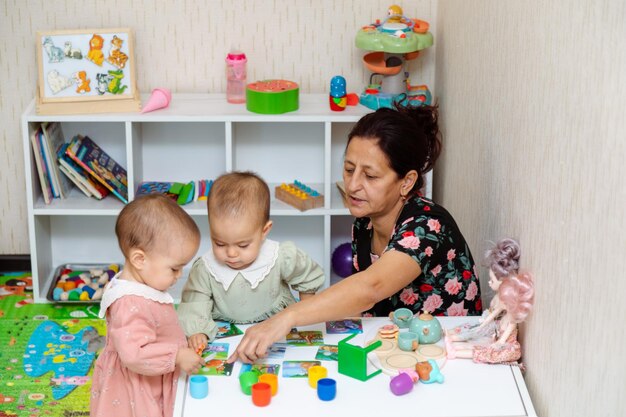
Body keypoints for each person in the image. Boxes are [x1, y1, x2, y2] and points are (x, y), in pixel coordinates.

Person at [229, 104, 482, 363]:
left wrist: (286, 317)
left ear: (406, 182)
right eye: (349, 170)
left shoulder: (428, 225)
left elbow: (370, 288)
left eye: (370, 176)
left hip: (448, 353)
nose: (352, 185)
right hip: (396, 349)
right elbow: (364, 302)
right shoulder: (364, 223)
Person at [177, 171, 325, 352]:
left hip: (275, 325)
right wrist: (197, 332)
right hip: (224, 327)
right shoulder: (206, 267)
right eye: (220, 243)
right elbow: (195, 302)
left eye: (243, 245)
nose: (231, 253)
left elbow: (305, 275)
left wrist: (305, 311)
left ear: (264, 231)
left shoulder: (278, 256)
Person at [90, 194, 205, 417]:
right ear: (140, 260)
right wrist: (178, 355)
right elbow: (134, 354)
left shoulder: (142, 282)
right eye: (174, 269)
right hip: (135, 386)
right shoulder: (129, 302)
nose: (179, 275)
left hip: (152, 372)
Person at [445, 271, 534, 364]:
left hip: (506, 347)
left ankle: (455, 353)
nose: (499, 301)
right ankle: (454, 347)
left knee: (485, 352)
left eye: (502, 300)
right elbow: (492, 317)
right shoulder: (503, 312)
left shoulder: (512, 321)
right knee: (478, 344)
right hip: (497, 341)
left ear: (510, 304)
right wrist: (482, 325)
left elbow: (503, 339)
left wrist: (497, 344)